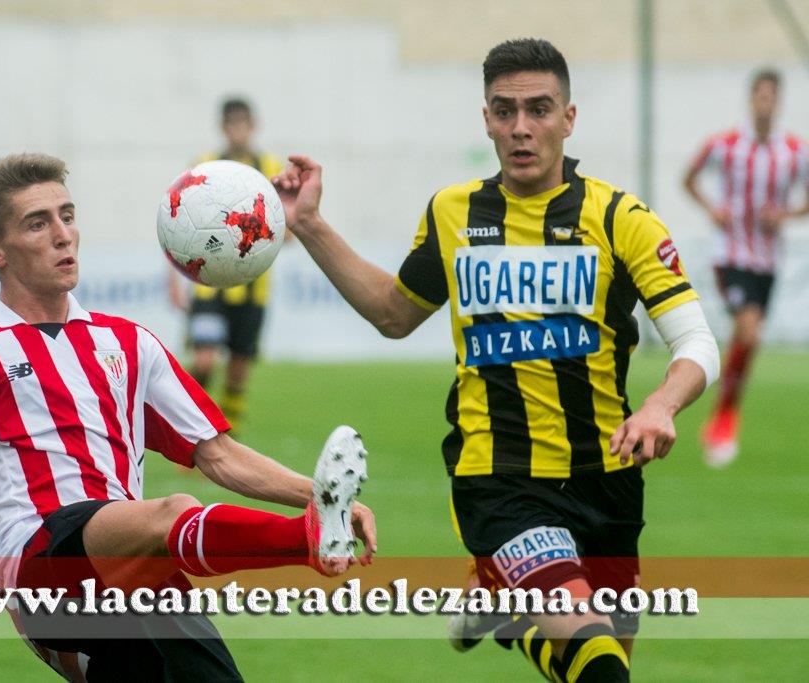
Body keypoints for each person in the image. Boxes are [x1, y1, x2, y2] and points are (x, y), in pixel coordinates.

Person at [273, 39, 718, 682]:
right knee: (600, 663)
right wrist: (309, 225)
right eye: (504, 111)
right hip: (499, 479)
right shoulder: (455, 213)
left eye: (539, 109)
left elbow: (697, 342)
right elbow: (395, 313)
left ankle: (504, 607)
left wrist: (660, 404)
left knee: (597, 658)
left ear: (569, 118)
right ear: (486, 118)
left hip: (608, 476)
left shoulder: (621, 218)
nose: (521, 127)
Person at [0, 153, 376, 681]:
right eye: (38, 224)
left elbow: (217, 453)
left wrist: (320, 493)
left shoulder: (129, 343)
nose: (63, 235)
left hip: (134, 564)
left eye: (67, 215)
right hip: (39, 558)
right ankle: (306, 539)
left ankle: (316, 523)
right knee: (169, 509)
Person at [683, 68, 809, 468]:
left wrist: (786, 215)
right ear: (751, 98)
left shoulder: (794, 150)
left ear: (778, 101)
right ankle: (724, 418)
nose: (765, 103)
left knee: (748, 338)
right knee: (750, 331)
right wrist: (712, 210)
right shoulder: (725, 145)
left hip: (768, 259)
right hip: (729, 254)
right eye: (760, 95)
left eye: (772, 96)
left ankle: (724, 411)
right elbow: (689, 178)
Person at [168, 98, 285, 432]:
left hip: (252, 290)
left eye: (243, 123)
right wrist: (174, 279)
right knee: (203, 361)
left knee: (237, 369)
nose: (237, 130)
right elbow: (177, 226)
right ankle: (190, 433)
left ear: (253, 125)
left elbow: (285, 230)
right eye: (231, 123)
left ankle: (227, 442)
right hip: (208, 286)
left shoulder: (271, 167)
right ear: (223, 127)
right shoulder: (204, 165)